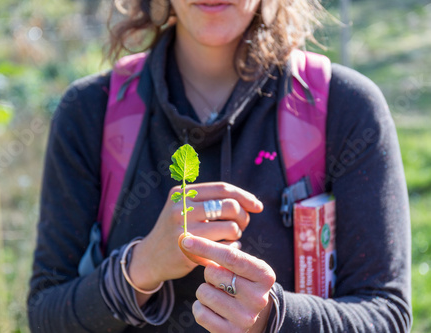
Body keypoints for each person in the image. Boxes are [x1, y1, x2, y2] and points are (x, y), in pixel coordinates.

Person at [27, 0, 412, 332]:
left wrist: (274, 319)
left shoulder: (345, 108)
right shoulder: (88, 112)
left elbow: (387, 315)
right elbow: (45, 315)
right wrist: (139, 269)